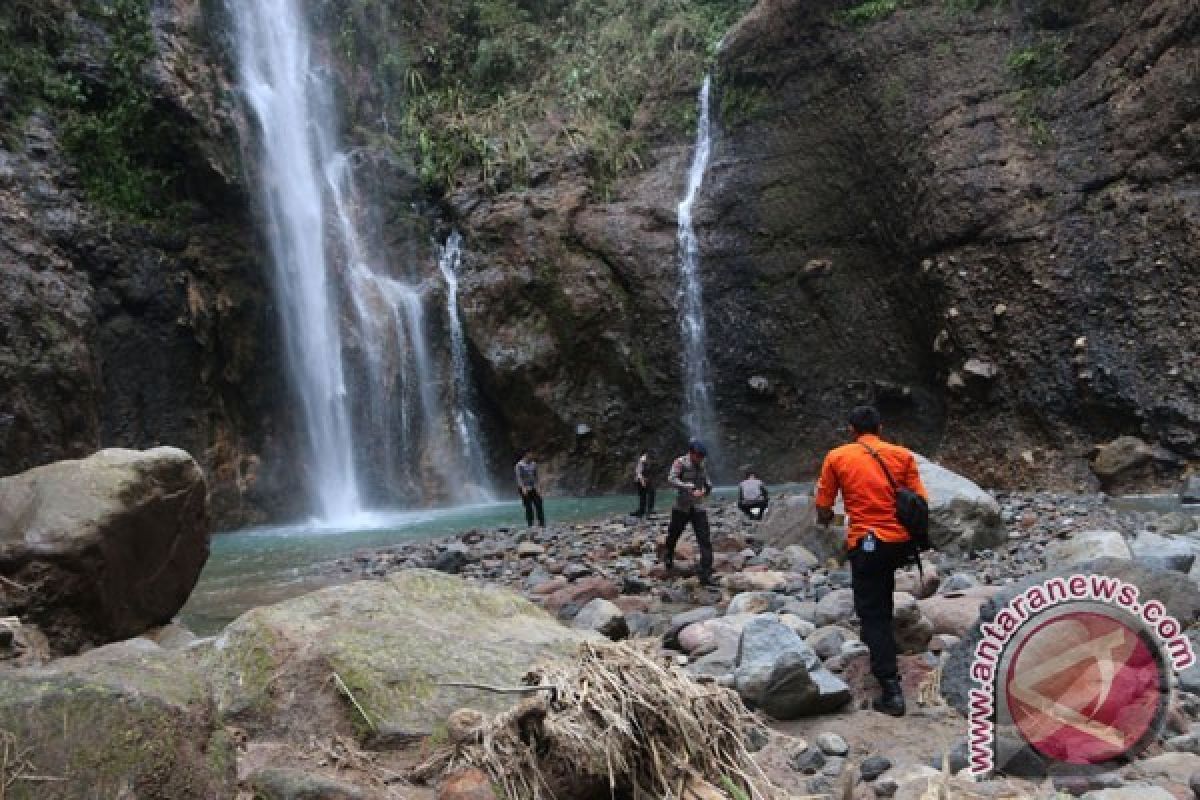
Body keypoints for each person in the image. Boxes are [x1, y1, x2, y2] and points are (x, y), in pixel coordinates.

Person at [814, 406, 928, 717]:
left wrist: (826, 519)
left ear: (851, 429)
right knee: (883, 594)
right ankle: (879, 645)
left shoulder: (837, 457)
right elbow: (920, 500)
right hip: (899, 543)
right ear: (880, 427)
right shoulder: (901, 455)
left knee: (873, 611)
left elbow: (823, 504)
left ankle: (890, 688)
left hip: (867, 542)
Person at [664, 439, 714, 584]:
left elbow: (708, 483)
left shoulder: (702, 465)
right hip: (682, 506)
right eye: (698, 456)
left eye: (702, 456)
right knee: (674, 534)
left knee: (704, 539)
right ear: (691, 453)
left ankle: (706, 572)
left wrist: (704, 492)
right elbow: (671, 479)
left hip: (698, 507)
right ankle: (668, 557)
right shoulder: (680, 462)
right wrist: (687, 487)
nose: (700, 459)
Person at [514, 448, 545, 527]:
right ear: (526, 454)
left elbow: (536, 476)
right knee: (528, 507)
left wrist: (538, 488)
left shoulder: (534, 464)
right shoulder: (519, 465)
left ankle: (542, 523)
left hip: (533, 487)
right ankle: (530, 524)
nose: (532, 455)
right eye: (531, 453)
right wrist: (523, 488)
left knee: (539, 504)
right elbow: (519, 478)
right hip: (524, 488)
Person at [630, 449, 657, 517]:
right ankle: (644, 511)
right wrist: (642, 481)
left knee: (648, 495)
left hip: (645, 480)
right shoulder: (642, 460)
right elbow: (639, 472)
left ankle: (645, 511)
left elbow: (649, 472)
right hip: (641, 480)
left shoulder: (647, 460)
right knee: (646, 495)